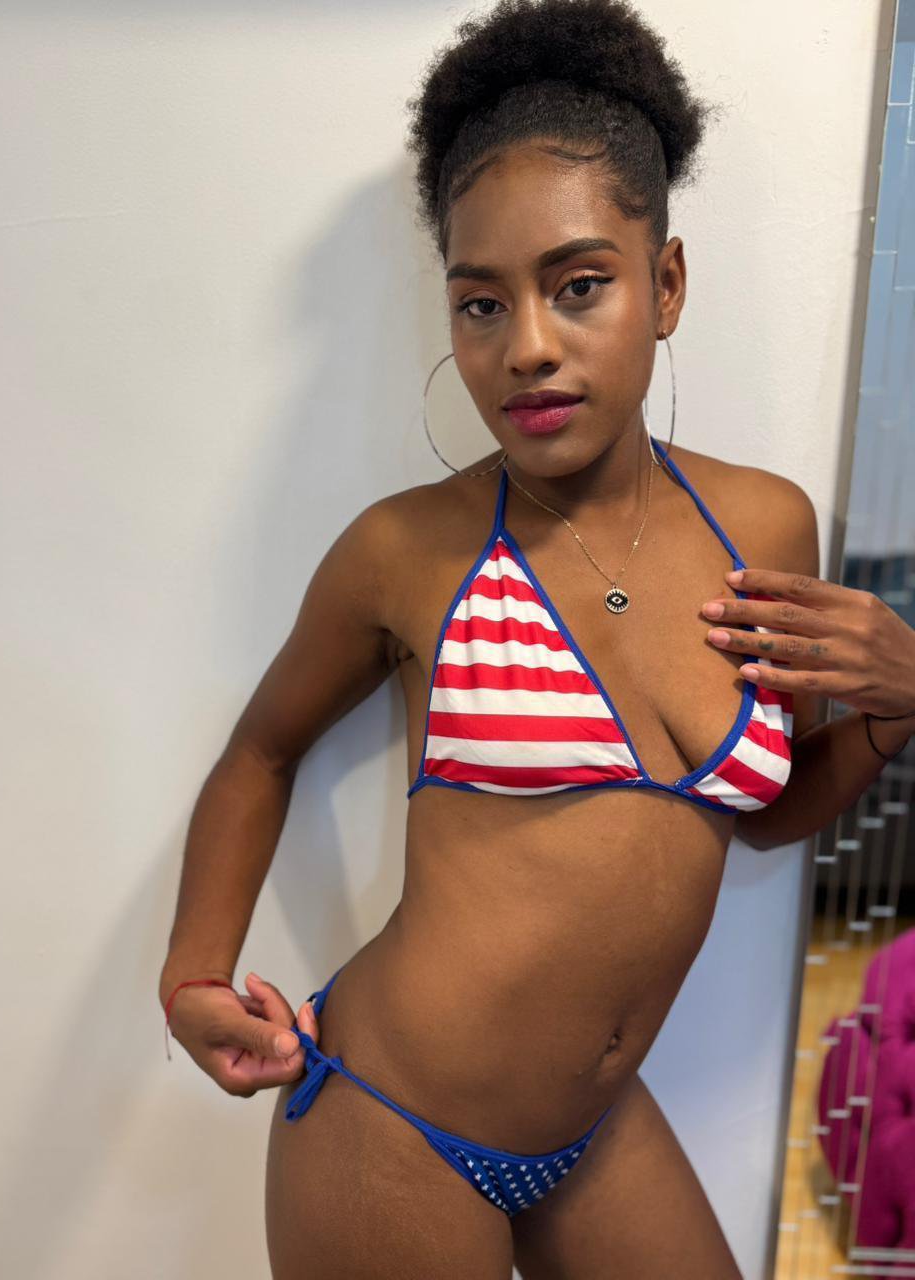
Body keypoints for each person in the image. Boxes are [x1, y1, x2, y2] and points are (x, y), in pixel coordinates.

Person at [158, 1, 915, 1275]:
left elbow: (764, 812)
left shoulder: (765, 526)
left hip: (593, 1128)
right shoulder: (406, 551)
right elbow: (260, 752)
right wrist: (192, 975)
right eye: (480, 303)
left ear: (665, 287)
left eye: (579, 286)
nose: (528, 348)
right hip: (392, 1121)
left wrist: (897, 707)